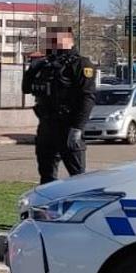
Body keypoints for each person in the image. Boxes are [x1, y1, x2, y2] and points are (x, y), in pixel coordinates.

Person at [22, 27, 96, 184]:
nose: (54, 44)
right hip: (47, 125)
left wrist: (77, 128)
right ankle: (46, 208)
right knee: (46, 176)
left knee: (77, 178)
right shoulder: (45, 64)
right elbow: (26, 89)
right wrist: (32, 70)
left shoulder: (81, 64)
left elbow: (87, 98)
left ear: (69, 40)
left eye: (57, 40)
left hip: (68, 125)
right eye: (51, 40)